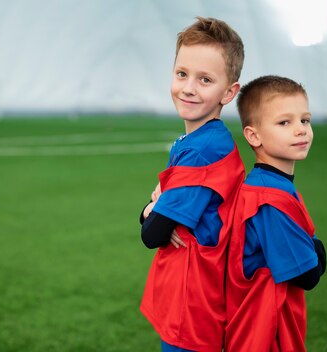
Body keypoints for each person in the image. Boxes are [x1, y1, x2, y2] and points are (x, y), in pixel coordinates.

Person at [139, 17, 245, 352]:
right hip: (195, 294)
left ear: (229, 92)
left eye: (205, 79)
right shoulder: (201, 139)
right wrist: (155, 211)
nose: (188, 87)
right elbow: (157, 222)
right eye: (182, 74)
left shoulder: (202, 150)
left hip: (193, 304)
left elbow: (152, 234)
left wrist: (153, 209)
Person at [225, 75, 327, 351]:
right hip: (265, 331)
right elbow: (307, 275)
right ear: (253, 135)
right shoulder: (269, 198)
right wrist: (317, 249)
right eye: (285, 122)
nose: (301, 130)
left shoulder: (269, 184)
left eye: (305, 120)